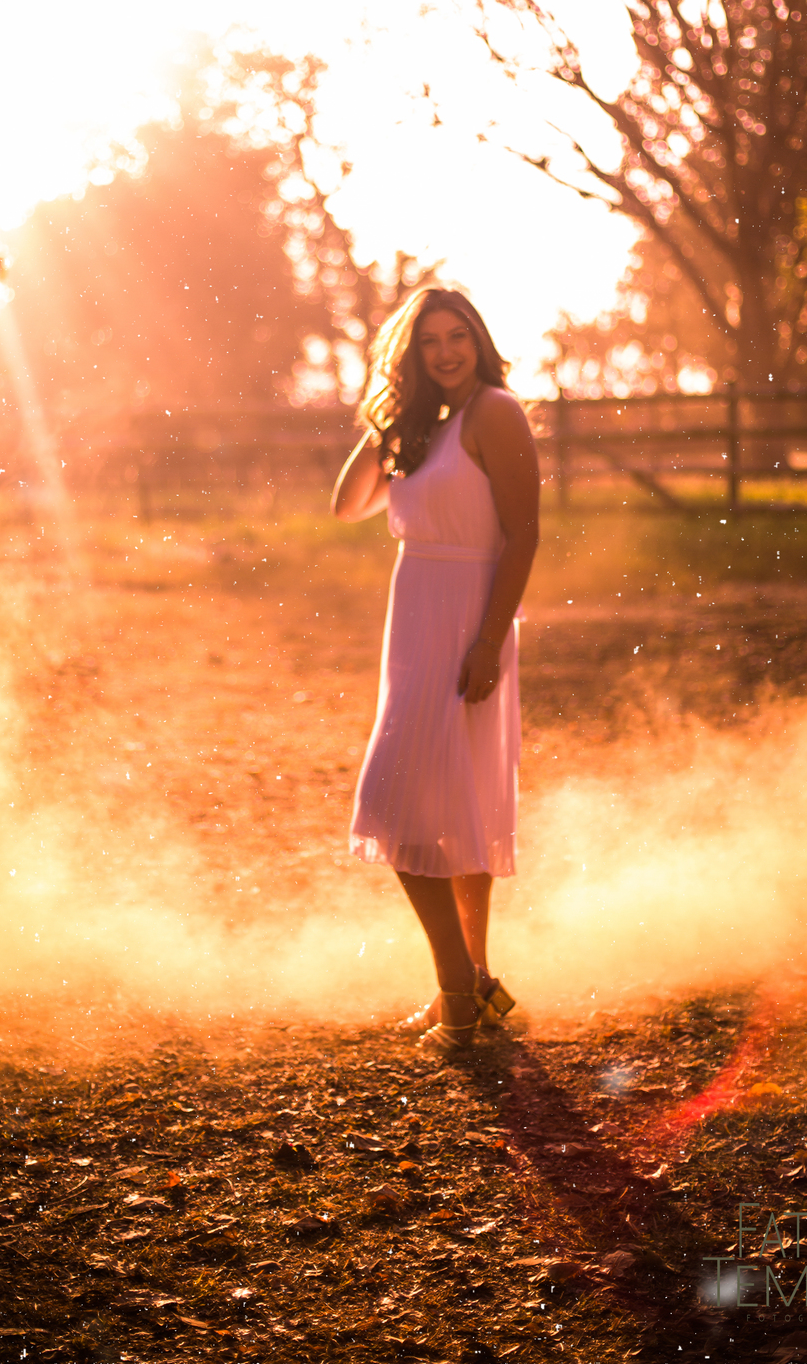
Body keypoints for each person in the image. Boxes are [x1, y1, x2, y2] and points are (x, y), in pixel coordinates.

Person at [332, 286, 541, 1052]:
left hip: (468, 621)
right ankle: (477, 981)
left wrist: (489, 641)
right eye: (429, 343)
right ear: (412, 355)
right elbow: (346, 505)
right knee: (452, 805)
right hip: (413, 617)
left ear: (478, 340)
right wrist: (389, 415)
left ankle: (456, 993)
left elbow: (523, 534)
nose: (446, 352)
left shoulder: (495, 412)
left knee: (396, 804)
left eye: (457, 337)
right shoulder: (424, 428)